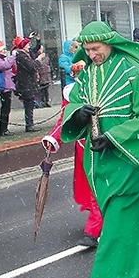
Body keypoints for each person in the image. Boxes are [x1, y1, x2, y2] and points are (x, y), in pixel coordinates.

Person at [60, 21, 139, 278]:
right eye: (88, 49)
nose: (91, 54)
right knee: (126, 221)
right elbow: (74, 104)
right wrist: (78, 114)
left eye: (96, 49)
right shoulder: (88, 75)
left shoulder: (133, 72)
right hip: (97, 162)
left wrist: (116, 137)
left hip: (129, 157)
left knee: (119, 223)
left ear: (110, 43)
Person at [42, 61, 103, 248]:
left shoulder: (105, 87)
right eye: (76, 74)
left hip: (106, 145)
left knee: (100, 187)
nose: (79, 77)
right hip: (83, 147)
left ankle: (93, 230)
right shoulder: (72, 93)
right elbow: (64, 119)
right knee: (91, 186)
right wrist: (53, 139)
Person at [15, 37, 41, 132]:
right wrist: (39, 60)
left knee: (30, 104)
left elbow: (35, 49)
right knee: (28, 104)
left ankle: (30, 123)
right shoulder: (22, 57)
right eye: (27, 45)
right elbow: (32, 67)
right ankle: (29, 125)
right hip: (26, 84)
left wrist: (38, 41)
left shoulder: (24, 55)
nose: (29, 46)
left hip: (28, 84)